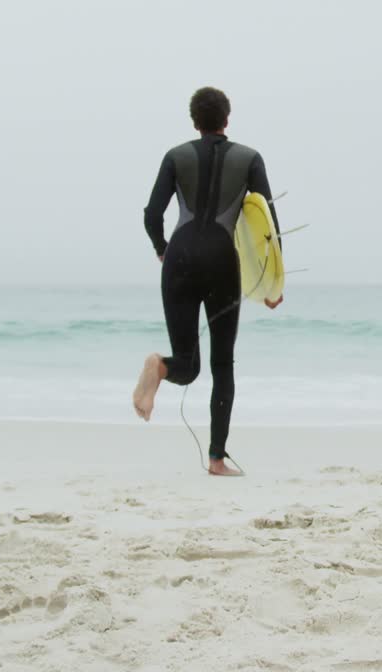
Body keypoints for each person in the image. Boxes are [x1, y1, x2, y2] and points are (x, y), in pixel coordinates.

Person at [132, 86, 283, 476]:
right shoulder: (249, 158)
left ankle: (160, 366)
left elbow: (152, 214)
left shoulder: (175, 157)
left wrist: (162, 248)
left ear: (194, 121)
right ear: (226, 120)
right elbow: (268, 224)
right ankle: (216, 458)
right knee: (221, 365)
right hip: (221, 262)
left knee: (187, 362)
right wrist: (272, 283)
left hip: (179, 258)